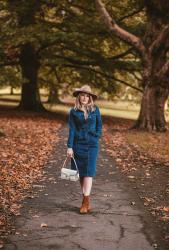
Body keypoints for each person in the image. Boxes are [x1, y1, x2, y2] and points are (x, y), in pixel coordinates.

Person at [66, 85, 102, 214]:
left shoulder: (95, 109)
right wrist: (69, 146)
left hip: (92, 145)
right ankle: (85, 198)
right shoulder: (73, 111)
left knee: (89, 172)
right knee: (80, 173)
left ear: (90, 97)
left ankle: (85, 201)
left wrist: (96, 136)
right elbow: (72, 130)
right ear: (79, 96)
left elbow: (99, 126)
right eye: (82, 95)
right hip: (78, 144)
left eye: (87, 96)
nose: (85, 98)